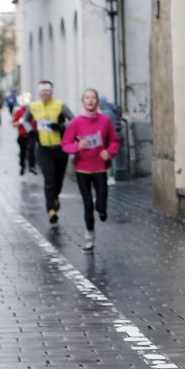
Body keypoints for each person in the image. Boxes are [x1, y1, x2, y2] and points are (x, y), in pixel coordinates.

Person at [61, 88, 119, 252]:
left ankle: (102, 210)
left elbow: (114, 141)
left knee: (100, 204)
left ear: (97, 102)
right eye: (87, 98)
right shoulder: (76, 122)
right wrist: (77, 146)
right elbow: (65, 145)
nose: (90, 101)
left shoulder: (105, 121)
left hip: (100, 167)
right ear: (83, 101)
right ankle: (89, 237)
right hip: (82, 169)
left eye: (93, 98)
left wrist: (109, 152)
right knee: (87, 205)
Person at [23, 81, 74, 225]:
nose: (45, 93)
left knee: (58, 181)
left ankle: (55, 197)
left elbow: (74, 121)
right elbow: (24, 120)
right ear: (39, 93)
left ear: (51, 92)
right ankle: (51, 210)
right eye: (42, 91)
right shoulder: (33, 106)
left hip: (60, 148)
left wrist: (61, 125)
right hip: (44, 149)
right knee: (49, 180)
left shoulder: (60, 105)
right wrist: (31, 132)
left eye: (47, 91)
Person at [12, 100, 37, 175]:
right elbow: (14, 124)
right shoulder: (19, 111)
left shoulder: (35, 111)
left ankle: (31, 167)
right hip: (22, 135)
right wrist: (20, 122)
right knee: (22, 152)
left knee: (31, 149)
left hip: (32, 135)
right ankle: (22, 166)